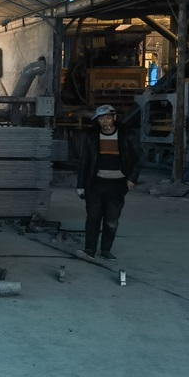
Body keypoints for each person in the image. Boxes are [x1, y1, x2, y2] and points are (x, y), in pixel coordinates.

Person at [75, 104, 141, 262]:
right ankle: (90, 250)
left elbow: (139, 157)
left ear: (114, 118)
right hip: (95, 184)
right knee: (93, 217)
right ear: (97, 120)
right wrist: (80, 185)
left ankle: (106, 250)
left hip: (117, 185)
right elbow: (84, 161)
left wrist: (132, 178)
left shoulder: (126, 135)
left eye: (108, 118)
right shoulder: (92, 136)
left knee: (112, 219)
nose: (105, 121)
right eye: (101, 119)